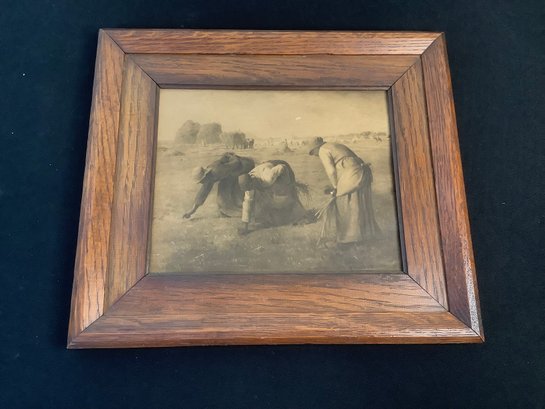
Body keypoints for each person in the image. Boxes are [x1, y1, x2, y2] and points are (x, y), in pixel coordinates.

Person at [309, 137, 380, 245]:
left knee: (345, 204)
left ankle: (350, 238)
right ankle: (367, 235)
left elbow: (331, 171)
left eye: (312, 153)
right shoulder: (334, 145)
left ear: (315, 148)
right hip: (362, 172)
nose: (314, 156)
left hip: (352, 174)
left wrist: (335, 187)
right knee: (361, 203)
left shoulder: (323, 150)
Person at [237, 160, 308, 235]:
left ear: (252, 181)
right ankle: (275, 217)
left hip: (280, 166)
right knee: (264, 199)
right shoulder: (248, 185)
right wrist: (245, 225)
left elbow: (282, 167)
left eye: (249, 187)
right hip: (265, 169)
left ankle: (303, 216)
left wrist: (286, 184)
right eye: (247, 189)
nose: (249, 190)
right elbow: (247, 203)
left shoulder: (268, 177)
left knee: (286, 196)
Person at [183, 152, 254, 219]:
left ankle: (244, 211)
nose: (201, 183)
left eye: (201, 181)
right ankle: (228, 210)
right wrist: (192, 210)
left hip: (244, 167)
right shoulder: (210, 176)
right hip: (230, 173)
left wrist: (233, 157)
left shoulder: (217, 170)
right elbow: (203, 192)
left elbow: (236, 163)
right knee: (222, 194)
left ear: (204, 177)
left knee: (236, 192)